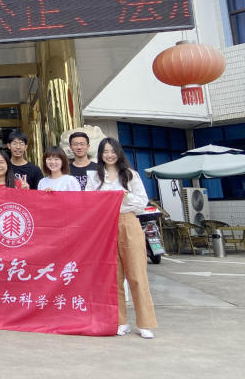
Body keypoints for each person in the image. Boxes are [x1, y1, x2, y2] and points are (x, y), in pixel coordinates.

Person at [86, 137, 157, 339]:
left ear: (119, 153)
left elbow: (142, 202)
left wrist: (126, 196)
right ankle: (120, 321)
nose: (109, 155)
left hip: (128, 221)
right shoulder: (95, 176)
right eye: (105, 151)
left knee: (137, 275)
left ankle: (145, 323)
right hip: (104, 225)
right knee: (113, 277)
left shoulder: (130, 174)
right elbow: (88, 200)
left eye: (112, 151)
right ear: (100, 154)